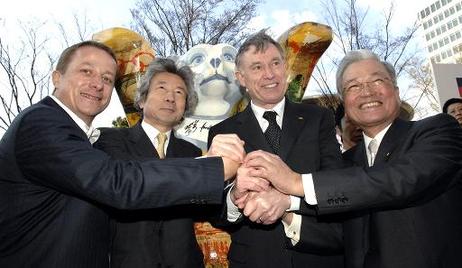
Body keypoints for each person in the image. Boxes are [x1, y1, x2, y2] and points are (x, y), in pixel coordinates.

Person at [0, 41, 245, 268]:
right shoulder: (61, 129)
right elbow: (119, 182)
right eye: (86, 71)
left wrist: (236, 195)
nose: (97, 83)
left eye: (107, 78)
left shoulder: (191, 152)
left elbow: (209, 208)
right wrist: (213, 168)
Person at [244, 49, 462, 268]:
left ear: (396, 91)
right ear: (345, 103)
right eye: (354, 86)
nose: (366, 92)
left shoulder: (438, 130)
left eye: (377, 80)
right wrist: (285, 209)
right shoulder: (345, 163)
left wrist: (296, 182)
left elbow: (400, 179)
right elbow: (342, 236)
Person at [207, 30, 345, 268]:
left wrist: (288, 200)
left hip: (318, 256)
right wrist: (234, 196)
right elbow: (215, 210)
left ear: (285, 68)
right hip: (254, 260)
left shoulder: (319, 118)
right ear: (241, 78)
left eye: (275, 63)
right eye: (257, 67)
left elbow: (336, 186)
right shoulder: (222, 133)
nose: (269, 74)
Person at [94, 58, 210, 267]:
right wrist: (207, 170)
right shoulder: (110, 141)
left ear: (185, 107)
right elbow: (134, 182)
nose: (170, 98)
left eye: (179, 92)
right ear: (141, 100)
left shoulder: (192, 153)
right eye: (162, 88)